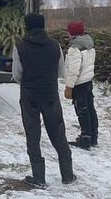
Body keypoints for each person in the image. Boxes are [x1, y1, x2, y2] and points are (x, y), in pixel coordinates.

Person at [12, 13, 76, 187]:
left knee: (33, 134)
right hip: (50, 95)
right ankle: (67, 174)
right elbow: (61, 72)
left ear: (26, 26)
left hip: (29, 95)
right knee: (57, 132)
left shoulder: (20, 46)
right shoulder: (55, 46)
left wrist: (29, 82)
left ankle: (39, 177)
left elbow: (17, 74)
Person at [63, 21, 97, 149]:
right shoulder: (89, 45)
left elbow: (73, 70)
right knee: (90, 109)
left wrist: (69, 87)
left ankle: (85, 138)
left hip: (78, 84)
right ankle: (93, 137)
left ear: (71, 33)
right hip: (88, 81)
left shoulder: (74, 48)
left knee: (82, 110)